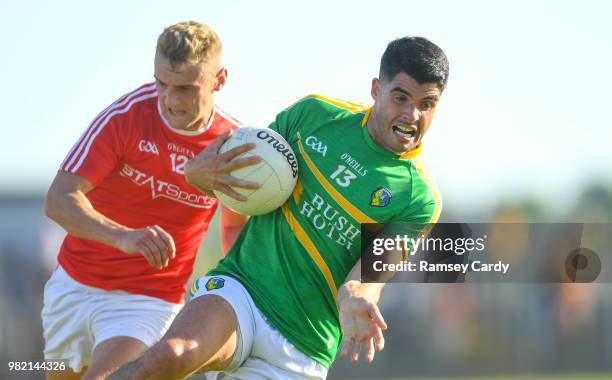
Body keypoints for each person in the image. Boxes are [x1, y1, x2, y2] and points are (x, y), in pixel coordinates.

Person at [110, 35, 449, 380]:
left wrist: (353, 298)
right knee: (171, 355)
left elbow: (370, 275)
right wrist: (198, 175)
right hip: (243, 289)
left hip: (301, 349)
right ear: (377, 89)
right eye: (400, 97)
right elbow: (240, 179)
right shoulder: (314, 115)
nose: (411, 114)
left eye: (426, 104)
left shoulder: (419, 199)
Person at [42, 21, 260, 380]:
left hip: (150, 300)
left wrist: (235, 300)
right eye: (162, 84)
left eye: (187, 88)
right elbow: (59, 199)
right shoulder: (126, 116)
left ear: (219, 79)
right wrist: (123, 236)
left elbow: (235, 230)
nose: (171, 100)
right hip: (73, 285)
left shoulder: (231, 144)